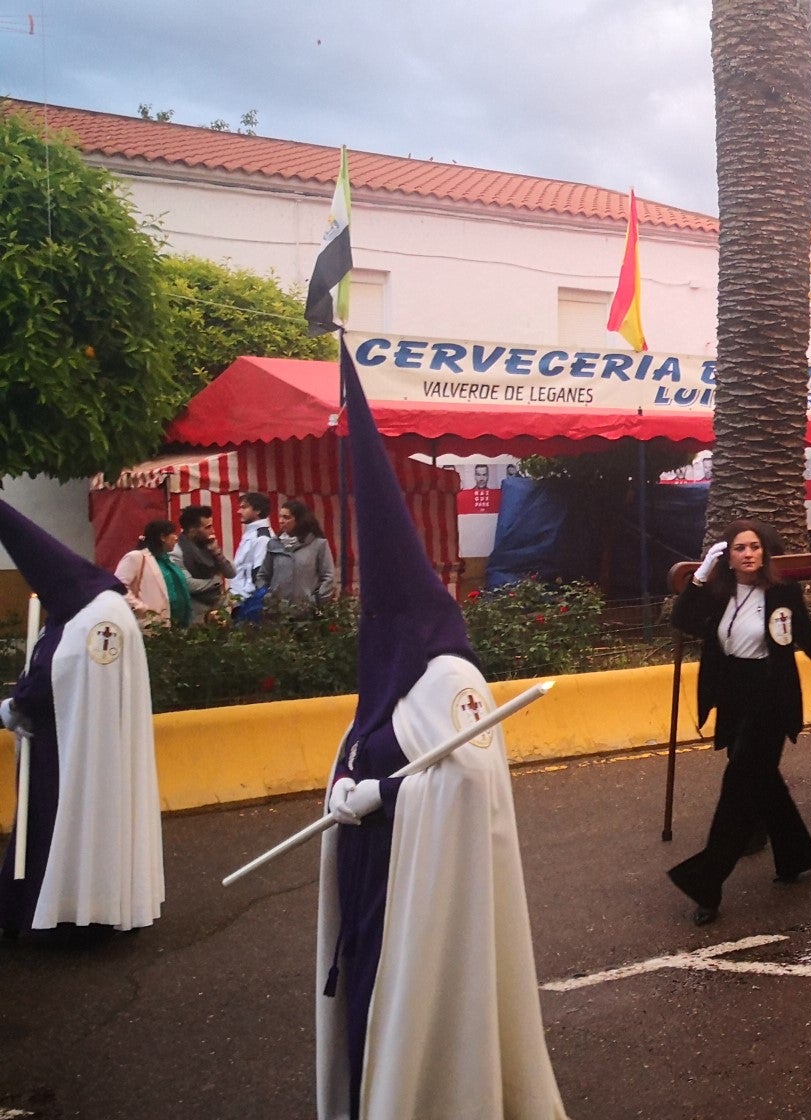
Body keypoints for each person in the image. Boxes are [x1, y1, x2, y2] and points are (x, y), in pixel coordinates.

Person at [314, 348, 566, 1119]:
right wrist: (349, 790)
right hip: (372, 879)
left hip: (418, 897)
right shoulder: (389, 675)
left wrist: (382, 794)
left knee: (410, 1014)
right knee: (362, 1008)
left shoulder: (450, 679)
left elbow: (471, 785)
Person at [668, 521, 811, 926]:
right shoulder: (718, 592)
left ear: (764, 554)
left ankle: (707, 879)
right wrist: (698, 579)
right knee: (761, 779)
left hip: (770, 694)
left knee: (739, 783)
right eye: (739, 548)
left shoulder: (781, 593)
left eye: (755, 547)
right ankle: (796, 853)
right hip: (732, 694)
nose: (748, 554)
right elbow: (683, 620)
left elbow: (806, 637)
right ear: (727, 557)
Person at [0, 499, 163, 939]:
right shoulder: (98, 605)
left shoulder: (95, 620)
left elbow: (57, 671)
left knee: (60, 817)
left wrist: (17, 705)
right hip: (86, 741)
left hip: (71, 749)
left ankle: (69, 913)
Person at [114, 519, 192, 629]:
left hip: (174, 627)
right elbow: (117, 587)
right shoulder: (136, 557)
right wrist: (140, 607)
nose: (176, 537)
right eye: (173, 534)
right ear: (162, 537)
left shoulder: (168, 561)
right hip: (149, 625)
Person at [261, 499, 338, 610]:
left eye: (286, 517)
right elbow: (263, 575)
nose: (281, 521)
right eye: (280, 516)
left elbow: (328, 576)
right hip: (277, 613)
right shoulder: (274, 544)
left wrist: (315, 600)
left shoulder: (318, 544)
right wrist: (266, 596)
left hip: (306, 614)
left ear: (299, 520)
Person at [171, 504, 235, 626]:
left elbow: (231, 573)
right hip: (195, 612)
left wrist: (218, 554)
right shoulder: (177, 551)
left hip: (217, 608)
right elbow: (186, 584)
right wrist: (215, 581)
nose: (212, 531)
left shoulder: (208, 545)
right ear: (192, 529)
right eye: (208, 527)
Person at [230, 491, 275, 598]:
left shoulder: (262, 537)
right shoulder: (252, 533)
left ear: (258, 510)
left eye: (244, 507)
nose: (238, 511)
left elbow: (260, 575)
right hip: (239, 597)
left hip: (248, 600)